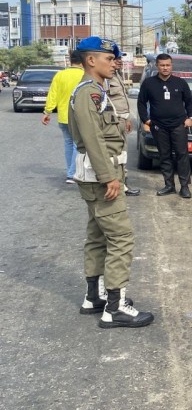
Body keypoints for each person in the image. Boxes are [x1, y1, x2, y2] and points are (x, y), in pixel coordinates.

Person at [69, 36, 154, 328]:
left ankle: (94, 298)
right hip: (101, 176)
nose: (114, 63)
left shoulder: (96, 91)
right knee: (121, 237)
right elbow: (92, 138)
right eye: (108, 58)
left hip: (98, 175)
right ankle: (115, 308)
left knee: (97, 235)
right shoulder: (88, 93)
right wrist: (109, 177)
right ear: (91, 60)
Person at [137, 53, 192, 199]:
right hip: (159, 126)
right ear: (157, 66)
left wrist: (190, 118)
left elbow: (189, 102)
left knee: (182, 155)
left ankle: (184, 186)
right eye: (162, 65)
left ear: (171, 66)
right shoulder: (149, 83)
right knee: (164, 156)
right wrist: (146, 120)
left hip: (178, 125)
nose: (165, 68)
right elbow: (141, 103)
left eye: (167, 65)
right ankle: (169, 185)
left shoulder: (180, 83)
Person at [42, 51, 85, 183]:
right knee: (77, 144)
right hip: (79, 116)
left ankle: (70, 171)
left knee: (68, 143)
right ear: (83, 61)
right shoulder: (85, 75)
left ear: (70, 61)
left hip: (63, 116)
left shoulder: (60, 75)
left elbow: (52, 94)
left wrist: (47, 112)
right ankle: (72, 174)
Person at [106, 53, 140, 196]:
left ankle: (122, 183)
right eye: (116, 59)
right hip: (112, 121)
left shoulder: (118, 76)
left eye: (120, 59)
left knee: (122, 153)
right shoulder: (105, 79)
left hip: (121, 120)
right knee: (115, 154)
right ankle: (118, 185)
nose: (119, 62)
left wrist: (127, 119)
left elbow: (122, 100)